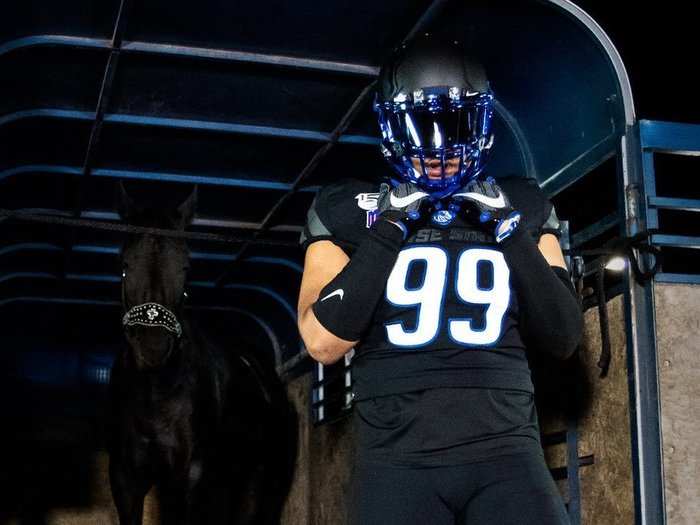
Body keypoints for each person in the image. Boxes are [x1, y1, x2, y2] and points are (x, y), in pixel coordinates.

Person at [297, 34, 583, 525]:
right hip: (397, 461)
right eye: (421, 126)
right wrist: (389, 230)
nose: (440, 146)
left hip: (506, 453)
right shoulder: (349, 209)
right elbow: (323, 341)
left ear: (481, 122)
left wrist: (509, 232)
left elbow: (563, 336)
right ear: (391, 127)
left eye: (455, 124)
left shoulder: (522, 201)